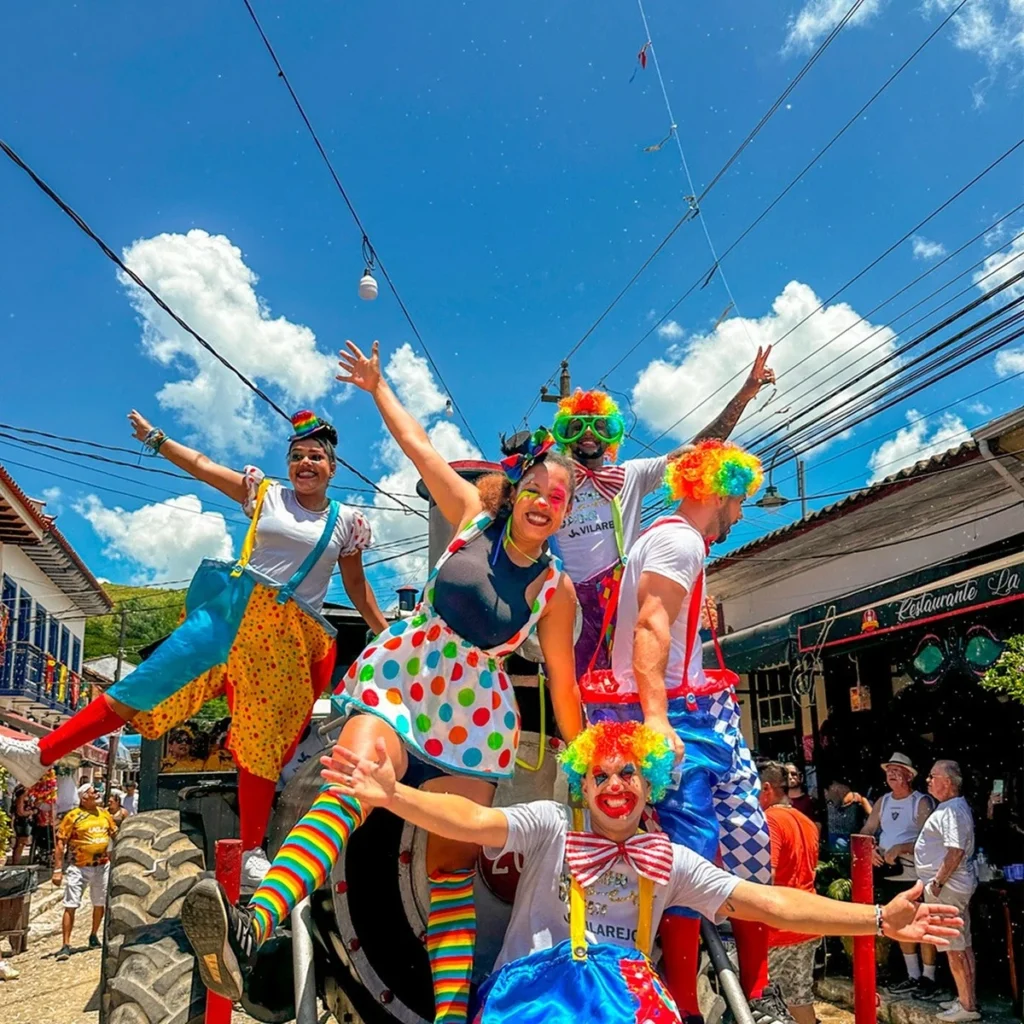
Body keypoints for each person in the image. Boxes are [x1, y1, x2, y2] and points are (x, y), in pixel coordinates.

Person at [182, 340, 583, 1024]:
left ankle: (451, 1018)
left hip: (475, 716)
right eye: (538, 489)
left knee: (452, 874)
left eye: (561, 498)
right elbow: (420, 446)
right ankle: (255, 922)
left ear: (567, 512)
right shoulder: (469, 518)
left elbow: (565, 687)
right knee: (351, 775)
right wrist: (376, 387)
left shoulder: (557, 589)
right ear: (517, 492)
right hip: (407, 675)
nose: (546, 502)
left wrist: (588, 759)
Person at [226, 720, 965, 1024]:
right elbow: (476, 824)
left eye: (629, 775)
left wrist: (876, 918)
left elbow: (766, 900)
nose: (615, 785)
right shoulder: (549, 827)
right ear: (582, 783)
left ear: (647, 787)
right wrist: (393, 795)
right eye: (602, 774)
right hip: (536, 1004)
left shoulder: (667, 862)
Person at [0, 407, 388, 888]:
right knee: (148, 682)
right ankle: (40, 753)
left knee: (261, 742)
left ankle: (250, 852)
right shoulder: (265, 494)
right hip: (232, 610)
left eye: (315, 457)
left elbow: (357, 587)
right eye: (296, 456)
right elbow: (203, 467)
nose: (305, 464)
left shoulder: (347, 522)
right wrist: (158, 439)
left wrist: (387, 630)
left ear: (332, 467)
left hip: (286, 632)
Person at [585, 440, 780, 1022]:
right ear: (717, 491)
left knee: (722, 841)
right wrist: (656, 719)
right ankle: (694, 1004)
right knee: (700, 846)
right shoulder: (679, 540)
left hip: (675, 704)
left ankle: (725, 986)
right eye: (739, 500)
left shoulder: (663, 538)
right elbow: (650, 625)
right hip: (673, 713)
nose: (740, 514)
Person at [550, 348, 776, 678]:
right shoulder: (552, 484)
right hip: (571, 604)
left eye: (601, 426)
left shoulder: (632, 475)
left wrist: (744, 395)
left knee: (626, 681)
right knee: (574, 687)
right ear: (563, 434)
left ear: (613, 433)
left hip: (621, 597)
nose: (588, 434)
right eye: (576, 427)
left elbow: (697, 451)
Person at [861, 752, 936, 997]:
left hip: (915, 872)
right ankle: (912, 975)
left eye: (897, 770)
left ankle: (929, 977)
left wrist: (901, 847)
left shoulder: (921, 802)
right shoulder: (883, 801)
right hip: (889, 871)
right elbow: (867, 829)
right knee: (901, 923)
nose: (891, 774)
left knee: (922, 922)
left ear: (909, 775)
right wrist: (870, 848)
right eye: (888, 770)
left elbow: (931, 839)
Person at [915, 761, 979, 1022]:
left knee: (955, 948)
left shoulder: (952, 810)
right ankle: (966, 999)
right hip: (951, 886)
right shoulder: (952, 808)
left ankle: (967, 1006)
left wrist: (937, 883)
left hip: (948, 887)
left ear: (948, 782)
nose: (928, 781)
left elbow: (955, 851)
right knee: (962, 945)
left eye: (933, 776)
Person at [760, 763, 820, 1024]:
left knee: (761, 1002)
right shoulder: (806, 821)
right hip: (807, 922)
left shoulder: (771, 820)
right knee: (799, 997)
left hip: (778, 928)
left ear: (766, 788)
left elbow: (767, 875)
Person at [52, 784, 118, 960]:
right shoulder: (73, 816)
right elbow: (60, 843)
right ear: (83, 797)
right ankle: (65, 945)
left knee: (99, 903)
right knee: (71, 904)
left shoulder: (104, 813)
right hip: (79, 867)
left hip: (102, 865)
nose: (96, 794)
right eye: (92, 792)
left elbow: (115, 835)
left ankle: (94, 935)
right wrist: (58, 870)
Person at [824, 780, 871, 853]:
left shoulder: (858, 799)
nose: (835, 790)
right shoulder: (827, 798)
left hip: (852, 840)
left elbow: (872, 816)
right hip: (833, 840)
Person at [11, 784, 32, 865]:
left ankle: (16, 862)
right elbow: (20, 812)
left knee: (21, 843)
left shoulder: (24, 796)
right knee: (20, 842)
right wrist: (31, 812)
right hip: (21, 822)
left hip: (23, 821)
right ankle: (15, 862)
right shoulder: (21, 797)